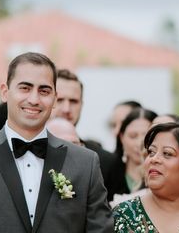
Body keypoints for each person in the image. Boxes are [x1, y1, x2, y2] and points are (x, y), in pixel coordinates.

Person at [0, 52, 112, 233]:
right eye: (25, 88)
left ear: (54, 98)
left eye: (44, 91)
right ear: (5, 92)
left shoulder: (86, 163)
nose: (34, 99)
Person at [51, 68, 125, 201]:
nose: (66, 109)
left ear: (82, 105)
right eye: (60, 100)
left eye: (74, 101)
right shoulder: (25, 152)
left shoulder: (107, 162)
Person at [114, 107, 157, 195]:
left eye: (147, 136)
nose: (139, 143)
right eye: (133, 136)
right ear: (122, 137)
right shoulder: (108, 172)